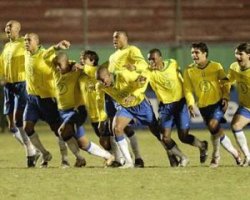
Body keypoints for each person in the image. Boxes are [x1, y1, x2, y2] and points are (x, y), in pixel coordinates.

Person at [43, 44, 114, 167]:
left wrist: (84, 67)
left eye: (60, 65)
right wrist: (56, 47)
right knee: (83, 144)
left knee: (62, 132)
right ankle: (107, 156)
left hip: (76, 110)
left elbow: (95, 71)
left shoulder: (77, 71)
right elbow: (45, 57)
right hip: (62, 111)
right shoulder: (56, 71)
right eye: (56, 65)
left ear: (67, 62)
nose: (58, 68)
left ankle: (67, 160)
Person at [23, 33, 86, 168]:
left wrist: (75, 65)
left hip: (47, 99)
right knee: (27, 127)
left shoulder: (46, 55)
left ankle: (74, 158)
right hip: (31, 98)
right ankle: (45, 154)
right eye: (25, 40)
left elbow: (62, 61)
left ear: (37, 42)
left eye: (29, 40)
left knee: (59, 131)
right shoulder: (26, 54)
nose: (26, 42)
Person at [183, 42, 241, 168]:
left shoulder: (216, 66)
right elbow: (187, 89)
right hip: (203, 107)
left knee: (213, 125)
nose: (194, 55)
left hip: (218, 103)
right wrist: (191, 104)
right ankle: (230, 154)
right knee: (215, 132)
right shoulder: (189, 70)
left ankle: (222, 156)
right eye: (192, 52)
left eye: (197, 52)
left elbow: (226, 83)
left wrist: (226, 97)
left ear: (205, 53)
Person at [147, 48, 208, 166]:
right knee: (165, 137)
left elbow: (184, 82)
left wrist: (190, 103)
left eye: (153, 59)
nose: (151, 62)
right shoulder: (148, 71)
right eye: (149, 60)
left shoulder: (172, 63)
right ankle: (183, 157)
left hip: (180, 103)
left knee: (183, 136)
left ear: (160, 58)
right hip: (165, 107)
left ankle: (202, 145)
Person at [0, 20, 37, 166]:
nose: (8, 28)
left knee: (18, 119)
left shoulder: (24, 43)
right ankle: (32, 148)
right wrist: (2, 78)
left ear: (18, 30)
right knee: (11, 126)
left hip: (22, 84)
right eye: (7, 26)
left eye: (11, 27)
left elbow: (36, 53)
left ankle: (30, 152)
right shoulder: (7, 46)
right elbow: (2, 65)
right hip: (8, 86)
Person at [226, 43, 250, 167]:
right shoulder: (234, 67)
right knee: (235, 125)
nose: (237, 56)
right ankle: (248, 156)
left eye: (241, 54)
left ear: (249, 55)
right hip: (246, 107)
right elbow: (228, 80)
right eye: (236, 53)